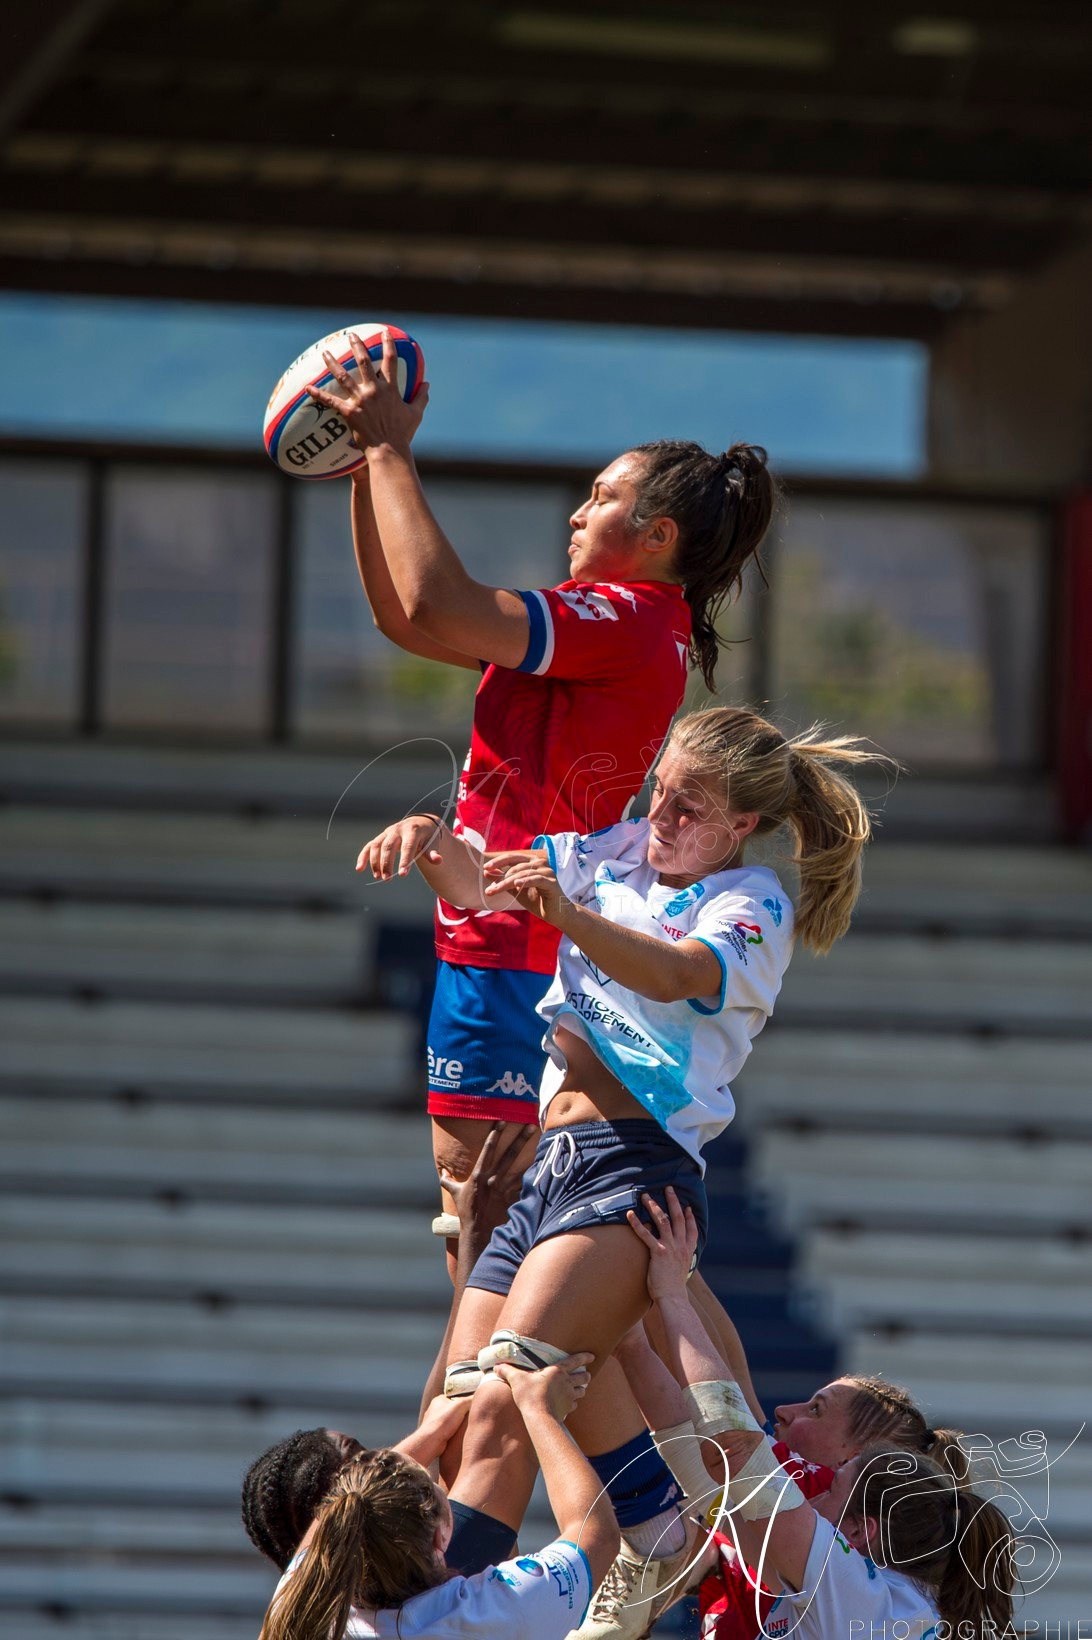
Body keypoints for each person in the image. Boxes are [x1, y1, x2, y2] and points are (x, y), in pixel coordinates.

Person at [356, 703, 888, 1634]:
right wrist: (437, 846)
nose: (663, 816)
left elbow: (679, 974)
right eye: (661, 791)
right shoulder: (623, 847)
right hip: (550, 1166)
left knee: (499, 1409)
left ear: (743, 826)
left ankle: (423, 1619)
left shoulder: (753, 900)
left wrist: (565, 913)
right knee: (461, 1402)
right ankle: (656, 1530)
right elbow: (489, 882)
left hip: (632, 1170)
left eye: (691, 806)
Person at [308, 331, 778, 1261]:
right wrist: (368, 464)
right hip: (506, 925)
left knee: (486, 1238)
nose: (576, 513)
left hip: (520, 943)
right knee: (494, 1239)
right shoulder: (622, 623)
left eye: (602, 498)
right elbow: (406, 617)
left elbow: (439, 604)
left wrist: (394, 450)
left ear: (657, 539)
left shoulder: (624, 618)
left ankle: (485, 1410)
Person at [629, 1191, 1016, 1640]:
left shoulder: (852, 1591)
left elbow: (731, 1445)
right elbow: (710, 1468)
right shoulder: (891, 1597)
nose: (812, 1494)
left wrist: (670, 1292)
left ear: (859, 1531)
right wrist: (632, 1342)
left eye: (831, 1485)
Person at [254, 1355, 619, 1640]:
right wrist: (540, 1411)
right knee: (497, 1409)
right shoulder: (491, 1614)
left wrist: (433, 1429)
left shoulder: (303, 1608)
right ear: (441, 1535)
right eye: (435, 1484)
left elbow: (343, 1507)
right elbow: (596, 1534)